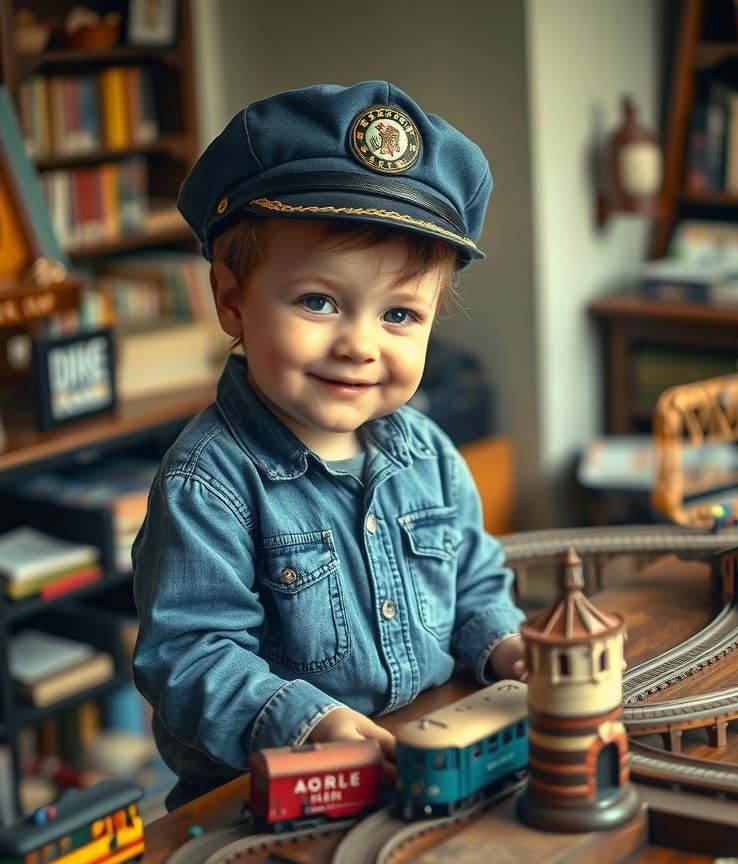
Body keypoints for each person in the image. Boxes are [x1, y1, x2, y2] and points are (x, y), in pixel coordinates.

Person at [132, 81, 526, 810]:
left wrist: (504, 644)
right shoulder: (207, 481)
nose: (359, 345)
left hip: (421, 751)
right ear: (231, 300)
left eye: (400, 314)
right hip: (264, 791)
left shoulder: (431, 454)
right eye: (319, 302)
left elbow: (474, 580)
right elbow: (188, 656)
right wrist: (306, 721)